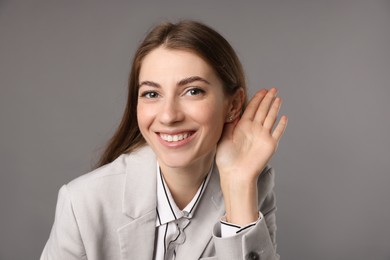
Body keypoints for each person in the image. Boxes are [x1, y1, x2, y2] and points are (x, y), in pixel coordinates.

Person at [41, 20, 287, 260]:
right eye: (152, 94)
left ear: (232, 105)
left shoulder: (251, 185)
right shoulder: (83, 202)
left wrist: (238, 184)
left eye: (193, 91)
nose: (169, 116)